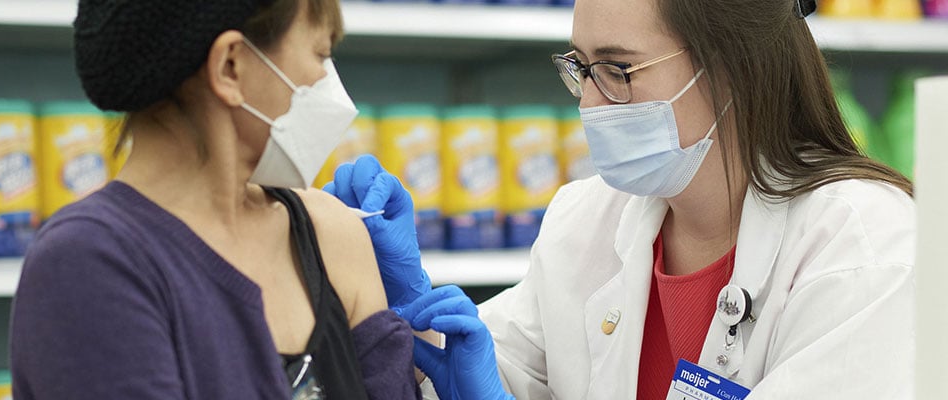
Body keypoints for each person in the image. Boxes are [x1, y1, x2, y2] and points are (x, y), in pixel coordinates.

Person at [326, 0, 915, 398]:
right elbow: (476, 371)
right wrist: (403, 311)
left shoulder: (862, 243)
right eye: (581, 68)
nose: (588, 103)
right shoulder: (586, 220)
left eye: (617, 69)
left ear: (734, 67)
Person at [9, 0, 420, 398]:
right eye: (320, 54)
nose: (327, 83)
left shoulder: (330, 233)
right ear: (230, 66)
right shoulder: (90, 264)